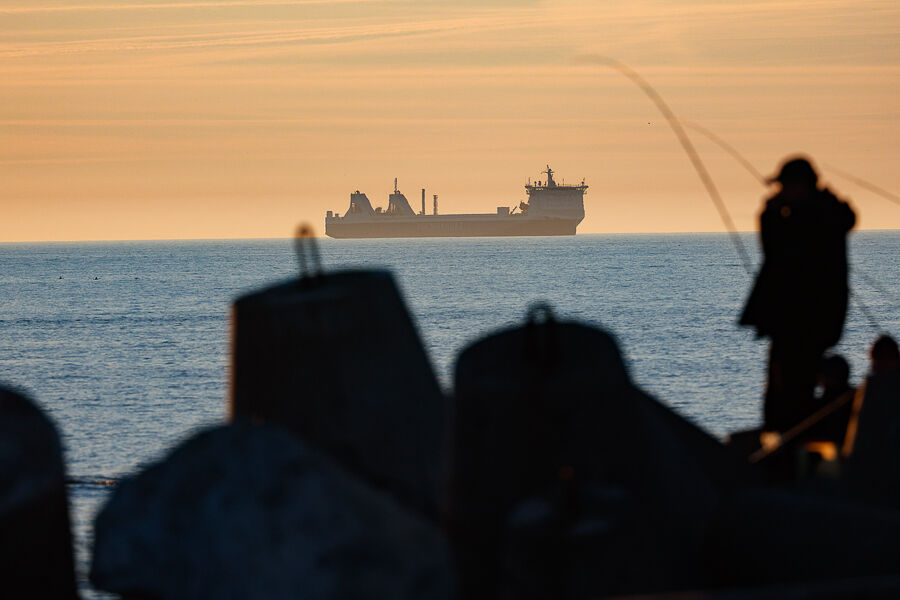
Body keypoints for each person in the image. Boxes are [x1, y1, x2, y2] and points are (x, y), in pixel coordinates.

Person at [740, 156, 855, 432]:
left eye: (785, 187)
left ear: (800, 186)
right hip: (809, 321)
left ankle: (787, 448)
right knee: (789, 388)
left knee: (789, 391)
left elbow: (776, 250)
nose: (780, 193)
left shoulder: (811, 221)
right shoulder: (827, 215)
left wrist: (769, 214)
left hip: (800, 322)